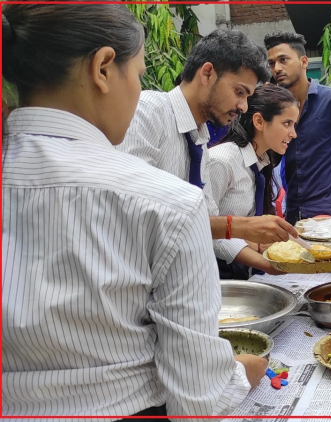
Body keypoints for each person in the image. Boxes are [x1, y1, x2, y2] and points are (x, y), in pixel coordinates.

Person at [1, 4, 267, 417]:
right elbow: (198, 400)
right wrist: (238, 373)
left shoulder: (196, 146)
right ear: (103, 68)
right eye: (140, 73)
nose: (242, 106)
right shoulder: (159, 180)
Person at [117, 29, 298, 258]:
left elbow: (208, 224)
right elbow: (132, 210)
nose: (243, 106)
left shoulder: (199, 140)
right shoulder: (148, 112)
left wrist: (269, 262)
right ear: (207, 74)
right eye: (239, 92)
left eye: (247, 97)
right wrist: (236, 227)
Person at [264, 31, 331, 225]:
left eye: (283, 60)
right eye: (272, 63)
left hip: (330, 214)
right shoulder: (278, 109)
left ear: (304, 61)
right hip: (294, 215)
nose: (277, 68)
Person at [205, 85, 299, 279]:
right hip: (214, 273)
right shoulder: (222, 161)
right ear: (259, 121)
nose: (293, 133)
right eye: (287, 123)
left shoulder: (262, 161)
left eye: (294, 125)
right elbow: (204, 229)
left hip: (241, 271)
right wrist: (265, 264)